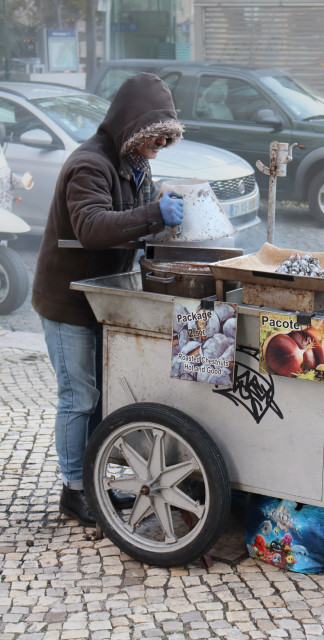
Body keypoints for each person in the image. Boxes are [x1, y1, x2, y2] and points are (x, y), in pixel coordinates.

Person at [31, 73, 186, 527]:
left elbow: (132, 221)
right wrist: (153, 213)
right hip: (68, 301)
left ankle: (94, 478)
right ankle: (74, 490)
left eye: (167, 137)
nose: (161, 143)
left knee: (104, 395)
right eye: (155, 135)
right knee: (78, 397)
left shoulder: (135, 162)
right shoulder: (90, 164)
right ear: (132, 128)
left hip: (105, 298)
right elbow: (93, 226)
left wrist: (159, 213)